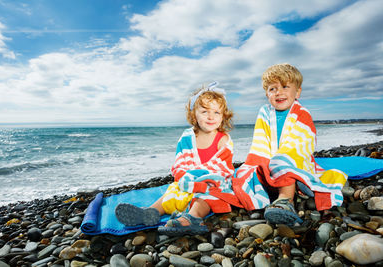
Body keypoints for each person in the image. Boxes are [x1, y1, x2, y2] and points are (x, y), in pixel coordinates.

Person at [115, 81, 239, 236]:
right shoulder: (188, 137)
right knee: (172, 191)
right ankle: (150, 212)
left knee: (207, 196)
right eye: (205, 111)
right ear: (194, 113)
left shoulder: (223, 139)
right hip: (188, 181)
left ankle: (192, 218)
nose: (210, 117)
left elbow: (222, 168)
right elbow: (180, 162)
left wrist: (200, 180)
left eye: (216, 112)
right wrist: (186, 178)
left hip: (211, 183)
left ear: (223, 116)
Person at [236, 63, 348, 226]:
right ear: (267, 94)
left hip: (293, 159)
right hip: (270, 158)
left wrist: (279, 159)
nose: (278, 92)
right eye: (272, 89)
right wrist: (262, 162)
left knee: (282, 162)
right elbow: (261, 140)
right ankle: (261, 198)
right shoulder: (264, 112)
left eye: (285, 86)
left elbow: (302, 142)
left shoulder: (302, 113)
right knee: (246, 171)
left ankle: (285, 201)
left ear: (298, 92)